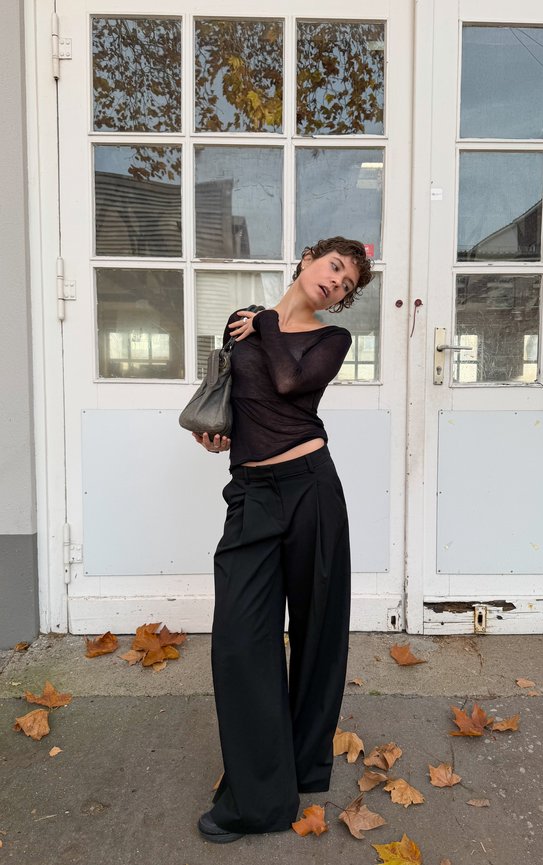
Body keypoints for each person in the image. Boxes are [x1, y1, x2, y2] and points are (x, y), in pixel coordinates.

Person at [193, 236, 374, 843]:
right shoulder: (239, 323)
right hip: (251, 495)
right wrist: (218, 432)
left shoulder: (330, 339)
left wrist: (269, 323)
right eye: (334, 267)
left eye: (347, 285)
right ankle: (260, 798)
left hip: (310, 491)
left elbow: (292, 382)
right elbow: (235, 393)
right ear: (306, 261)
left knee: (318, 634)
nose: (337, 283)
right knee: (242, 643)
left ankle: (302, 767)